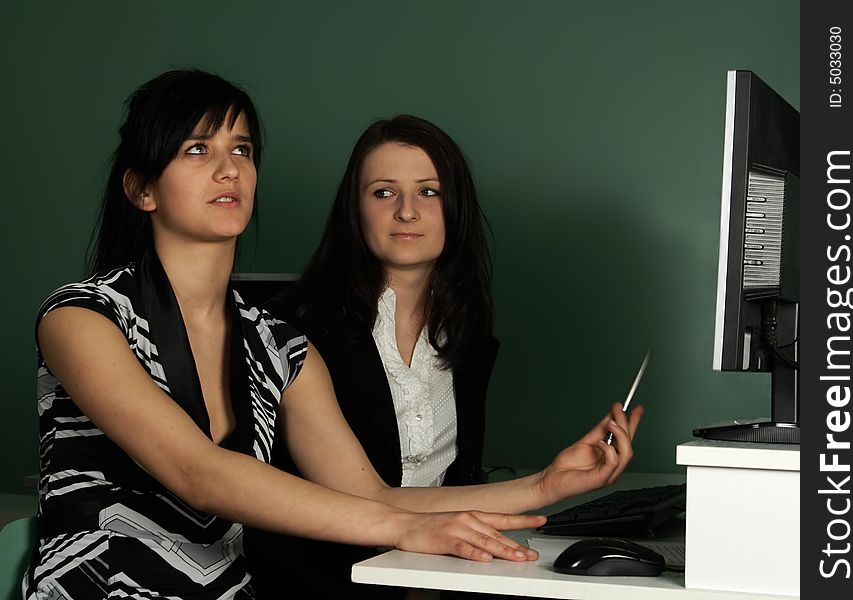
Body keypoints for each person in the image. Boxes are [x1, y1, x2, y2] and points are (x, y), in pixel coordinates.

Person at [24, 71, 558, 599]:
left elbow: (372, 496)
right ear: (142, 189)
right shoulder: (81, 317)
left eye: (241, 150)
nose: (228, 170)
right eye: (196, 150)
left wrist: (545, 485)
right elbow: (197, 472)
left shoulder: (282, 347)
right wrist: (400, 529)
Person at [246, 115, 644, 599]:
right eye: (383, 192)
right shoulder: (292, 330)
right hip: (318, 586)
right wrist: (543, 487)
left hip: (425, 581)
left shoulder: (470, 342)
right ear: (354, 210)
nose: (407, 212)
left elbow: (449, 491)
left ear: (456, 209)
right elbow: (368, 501)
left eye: (429, 192)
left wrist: (554, 482)